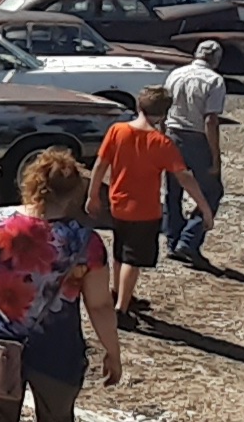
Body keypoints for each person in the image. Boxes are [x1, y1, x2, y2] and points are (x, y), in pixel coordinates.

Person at [0, 148, 122, 422]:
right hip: (58, 348)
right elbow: (100, 305)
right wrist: (112, 351)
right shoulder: (87, 242)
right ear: (73, 193)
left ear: (31, 183)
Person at [86, 86, 215, 328]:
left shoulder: (117, 131)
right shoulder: (161, 143)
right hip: (144, 209)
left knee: (120, 251)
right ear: (164, 114)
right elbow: (184, 177)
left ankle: (119, 292)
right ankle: (121, 310)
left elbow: (101, 164)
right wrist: (204, 207)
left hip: (118, 203)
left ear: (138, 106)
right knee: (133, 261)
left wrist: (93, 194)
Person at [162, 40, 227, 266]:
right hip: (196, 137)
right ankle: (188, 240)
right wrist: (215, 156)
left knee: (173, 190)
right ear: (216, 59)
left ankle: (173, 240)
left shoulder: (175, 74)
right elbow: (211, 120)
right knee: (211, 190)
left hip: (172, 133)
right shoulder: (214, 81)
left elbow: (164, 108)